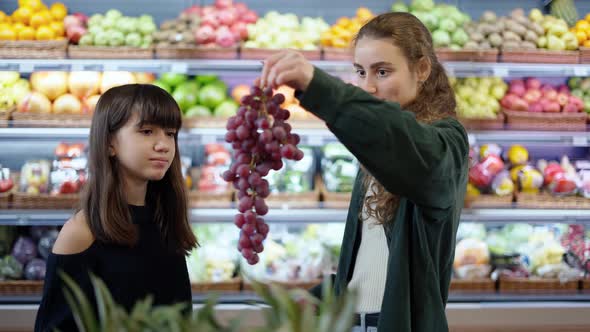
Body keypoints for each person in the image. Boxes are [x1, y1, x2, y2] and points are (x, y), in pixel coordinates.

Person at [258, 12, 469, 332]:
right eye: (360, 72)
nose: (367, 86)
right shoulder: (375, 155)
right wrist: (319, 296)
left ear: (422, 69)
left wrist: (318, 86)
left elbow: (400, 139)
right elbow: (369, 267)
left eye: (382, 72)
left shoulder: (445, 145)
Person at [34, 84, 198, 332]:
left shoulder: (166, 221)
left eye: (170, 133)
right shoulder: (81, 233)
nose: (163, 144)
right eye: (146, 131)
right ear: (110, 142)